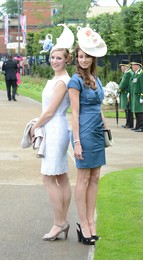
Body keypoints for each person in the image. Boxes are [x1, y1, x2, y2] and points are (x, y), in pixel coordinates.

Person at [29, 24, 74, 241]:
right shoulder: (61, 80)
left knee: (49, 178)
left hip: (55, 128)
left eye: (59, 58)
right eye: (53, 57)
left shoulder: (62, 82)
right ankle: (62, 221)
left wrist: (35, 125)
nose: (54, 60)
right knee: (61, 176)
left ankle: (59, 223)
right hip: (56, 127)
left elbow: (49, 111)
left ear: (67, 60)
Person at [68, 26, 108, 245]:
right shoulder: (75, 81)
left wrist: (104, 127)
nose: (83, 59)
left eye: (86, 56)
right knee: (83, 179)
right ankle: (83, 225)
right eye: (80, 56)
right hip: (83, 132)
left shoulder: (96, 78)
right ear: (77, 58)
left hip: (96, 132)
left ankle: (91, 224)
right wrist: (77, 142)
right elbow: (74, 114)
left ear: (93, 58)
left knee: (95, 178)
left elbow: (99, 106)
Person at [130, 59, 143, 132]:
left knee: (140, 112)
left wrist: (142, 97)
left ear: (138, 66)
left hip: (139, 96)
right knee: (137, 112)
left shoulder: (142, 74)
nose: (132, 66)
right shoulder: (135, 74)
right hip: (135, 96)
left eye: (133, 65)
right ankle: (137, 126)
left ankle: (142, 127)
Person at [118, 59, 134, 129]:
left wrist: (118, 90)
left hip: (126, 93)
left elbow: (123, 84)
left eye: (122, 66)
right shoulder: (128, 72)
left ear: (125, 66)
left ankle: (129, 124)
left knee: (128, 109)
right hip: (126, 93)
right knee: (127, 109)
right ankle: (128, 124)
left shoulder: (128, 73)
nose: (121, 68)